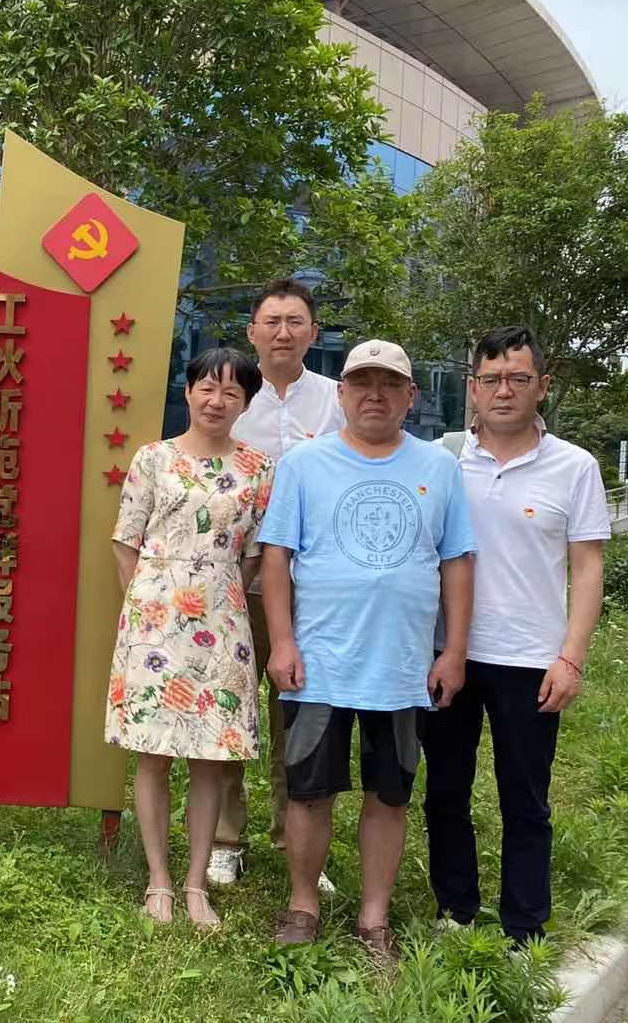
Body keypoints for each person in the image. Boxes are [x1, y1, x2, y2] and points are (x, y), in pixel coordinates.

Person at [257, 339, 476, 961]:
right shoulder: (303, 465)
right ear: (342, 393)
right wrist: (283, 642)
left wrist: (453, 652)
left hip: (402, 666)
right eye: (361, 382)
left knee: (390, 793)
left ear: (411, 395)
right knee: (308, 791)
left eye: (389, 384)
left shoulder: (439, 468)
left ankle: (373, 917)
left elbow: (458, 562)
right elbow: (276, 557)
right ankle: (303, 904)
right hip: (320, 663)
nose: (374, 395)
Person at [423, 327, 608, 945]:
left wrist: (571, 658)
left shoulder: (574, 466)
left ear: (542, 386)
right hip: (448, 653)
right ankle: (455, 911)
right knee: (445, 790)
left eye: (519, 379)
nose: (504, 391)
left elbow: (587, 566)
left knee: (525, 799)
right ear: (473, 389)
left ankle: (524, 927)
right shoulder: (443, 461)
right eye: (492, 379)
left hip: (531, 659)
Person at [107, 348, 275, 927]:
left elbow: (253, 555)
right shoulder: (153, 459)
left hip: (222, 621)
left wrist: (216, 594)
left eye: (231, 392)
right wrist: (148, 605)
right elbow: (125, 542)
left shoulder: (258, 468)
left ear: (246, 403)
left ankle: (196, 883)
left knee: (210, 757)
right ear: (187, 392)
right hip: (153, 620)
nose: (216, 401)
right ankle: (158, 880)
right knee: (152, 755)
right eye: (207, 387)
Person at [216, 278, 344, 888]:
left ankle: (297, 839)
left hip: (314, 587)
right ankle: (225, 837)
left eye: (295, 321)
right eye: (272, 321)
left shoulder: (337, 400)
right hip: (239, 582)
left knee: (301, 713)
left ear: (313, 333)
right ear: (252, 332)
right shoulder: (232, 399)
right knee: (231, 703)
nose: (283, 332)